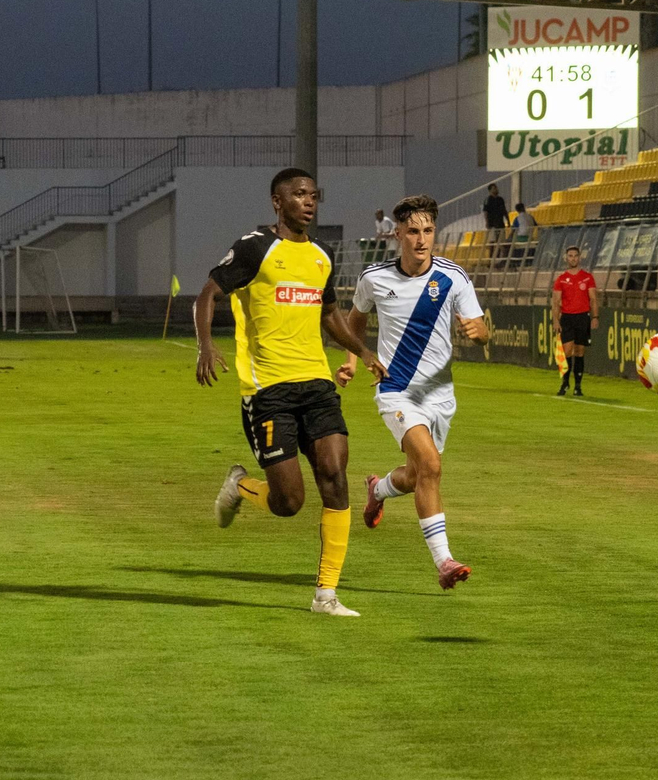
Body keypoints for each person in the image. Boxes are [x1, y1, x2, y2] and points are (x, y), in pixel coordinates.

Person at [198, 167, 388, 618]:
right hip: (268, 391)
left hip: (317, 384)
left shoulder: (322, 256)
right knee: (289, 503)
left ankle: (326, 595)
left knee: (335, 474)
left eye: (313, 195)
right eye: (299, 194)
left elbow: (329, 315)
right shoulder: (255, 247)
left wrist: (361, 350)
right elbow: (207, 293)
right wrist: (206, 345)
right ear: (277, 202)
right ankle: (241, 485)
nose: (309, 201)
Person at [338, 194, 488, 592]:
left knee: (417, 475)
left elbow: (481, 326)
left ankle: (379, 488)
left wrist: (478, 332)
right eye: (413, 232)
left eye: (428, 231)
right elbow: (355, 320)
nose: (422, 240)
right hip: (396, 391)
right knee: (432, 467)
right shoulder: (374, 278)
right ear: (398, 234)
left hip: (439, 395)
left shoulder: (453, 277)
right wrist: (354, 360)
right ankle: (444, 561)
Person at [550, 244, 598, 396]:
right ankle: (565, 383)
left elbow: (593, 299)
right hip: (567, 318)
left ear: (580, 257)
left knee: (579, 352)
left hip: (583, 317)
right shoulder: (561, 279)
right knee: (567, 350)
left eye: (575, 256)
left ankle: (578, 386)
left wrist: (595, 317)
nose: (573, 258)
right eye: (570, 256)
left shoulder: (587, 277)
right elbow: (556, 302)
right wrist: (556, 321)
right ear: (566, 258)